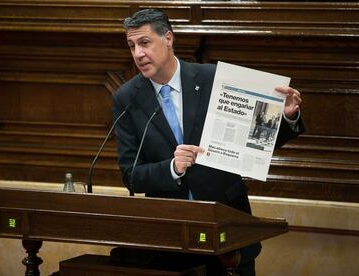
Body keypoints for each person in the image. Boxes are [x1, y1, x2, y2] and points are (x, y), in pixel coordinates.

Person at [112, 8, 304, 276]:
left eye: (144, 43)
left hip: (228, 230)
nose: (138, 54)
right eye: (132, 46)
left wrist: (285, 118)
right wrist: (172, 168)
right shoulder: (126, 98)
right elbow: (131, 175)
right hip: (170, 239)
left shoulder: (213, 78)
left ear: (168, 38)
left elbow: (257, 143)